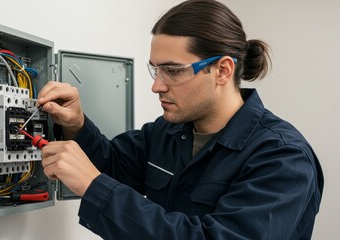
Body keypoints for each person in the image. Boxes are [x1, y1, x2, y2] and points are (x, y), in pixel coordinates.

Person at [37, 0, 324, 239]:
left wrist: (93, 185)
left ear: (223, 70)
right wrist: (76, 124)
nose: (157, 86)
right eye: (156, 70)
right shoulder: (169, 131)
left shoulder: (282, 158)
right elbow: (113, 166)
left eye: (173, 71)